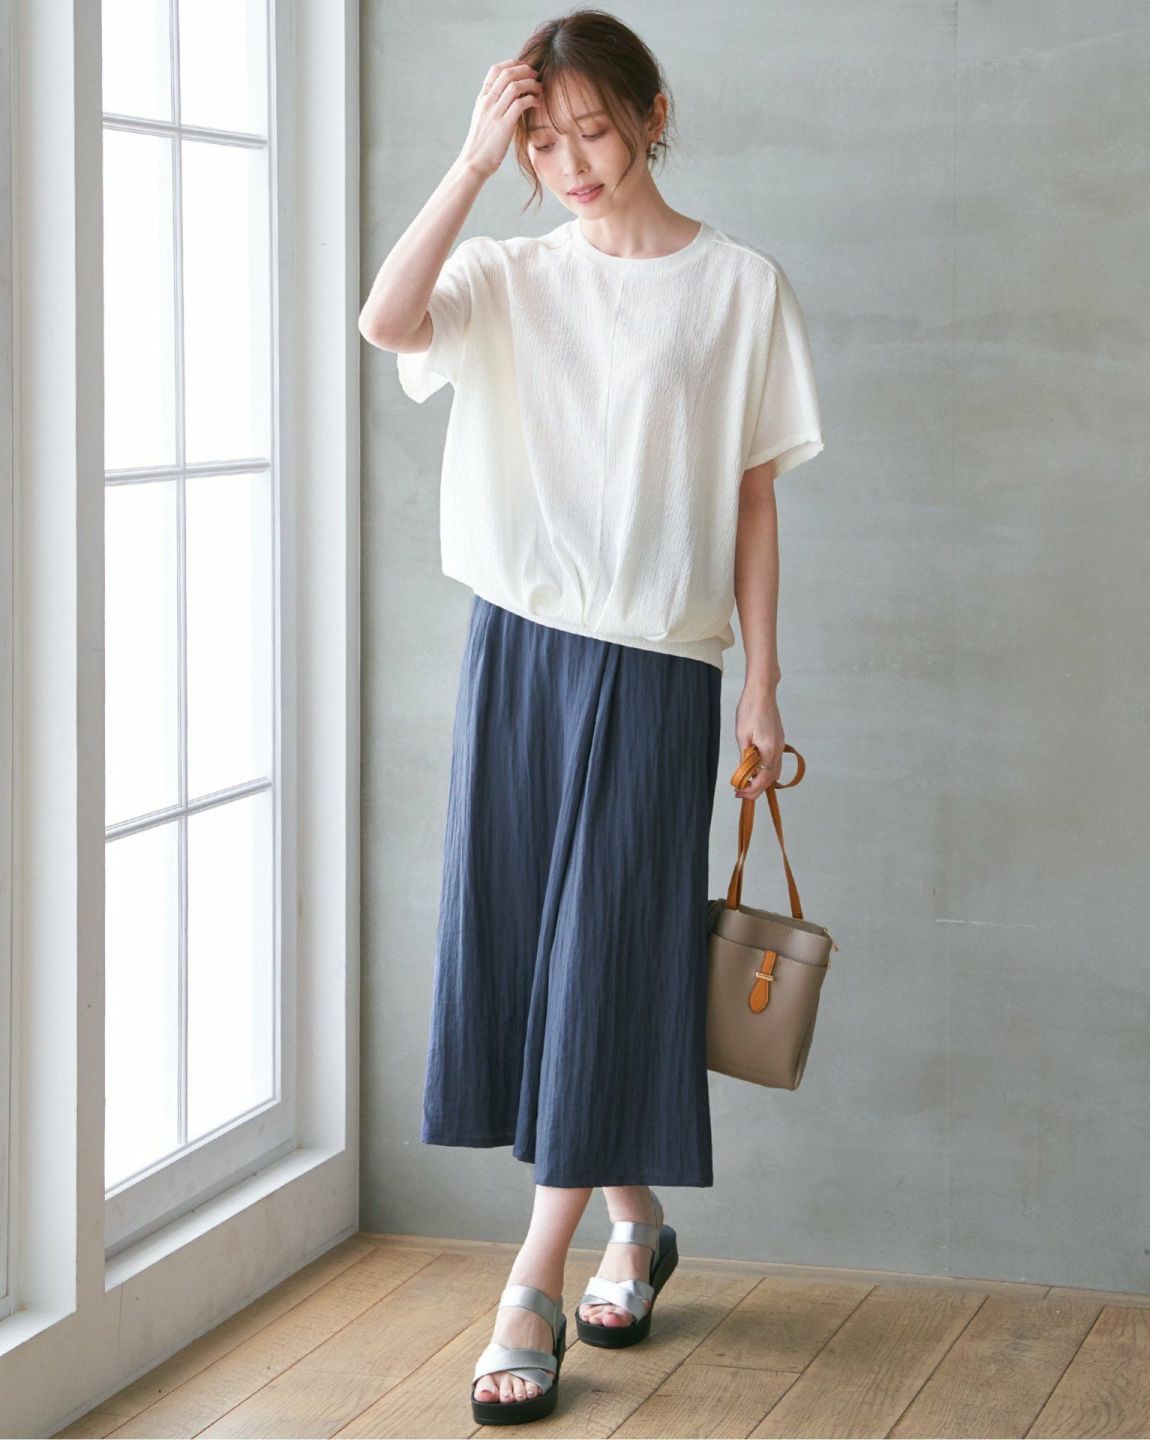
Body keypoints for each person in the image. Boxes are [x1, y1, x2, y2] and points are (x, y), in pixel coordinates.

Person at [359, 8, 825, 1425]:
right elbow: (385, 322)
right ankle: (637, 1221)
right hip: (517, 653)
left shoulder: (738, 288)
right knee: (533, 954)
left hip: (659, 665)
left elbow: (752, 498)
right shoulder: (507, 274)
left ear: (651, 117)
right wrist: (466, 161)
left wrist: (762, 681)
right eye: (542, 141)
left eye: (594, 131)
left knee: (607, 953)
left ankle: (532, 1284)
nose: (570, 163)